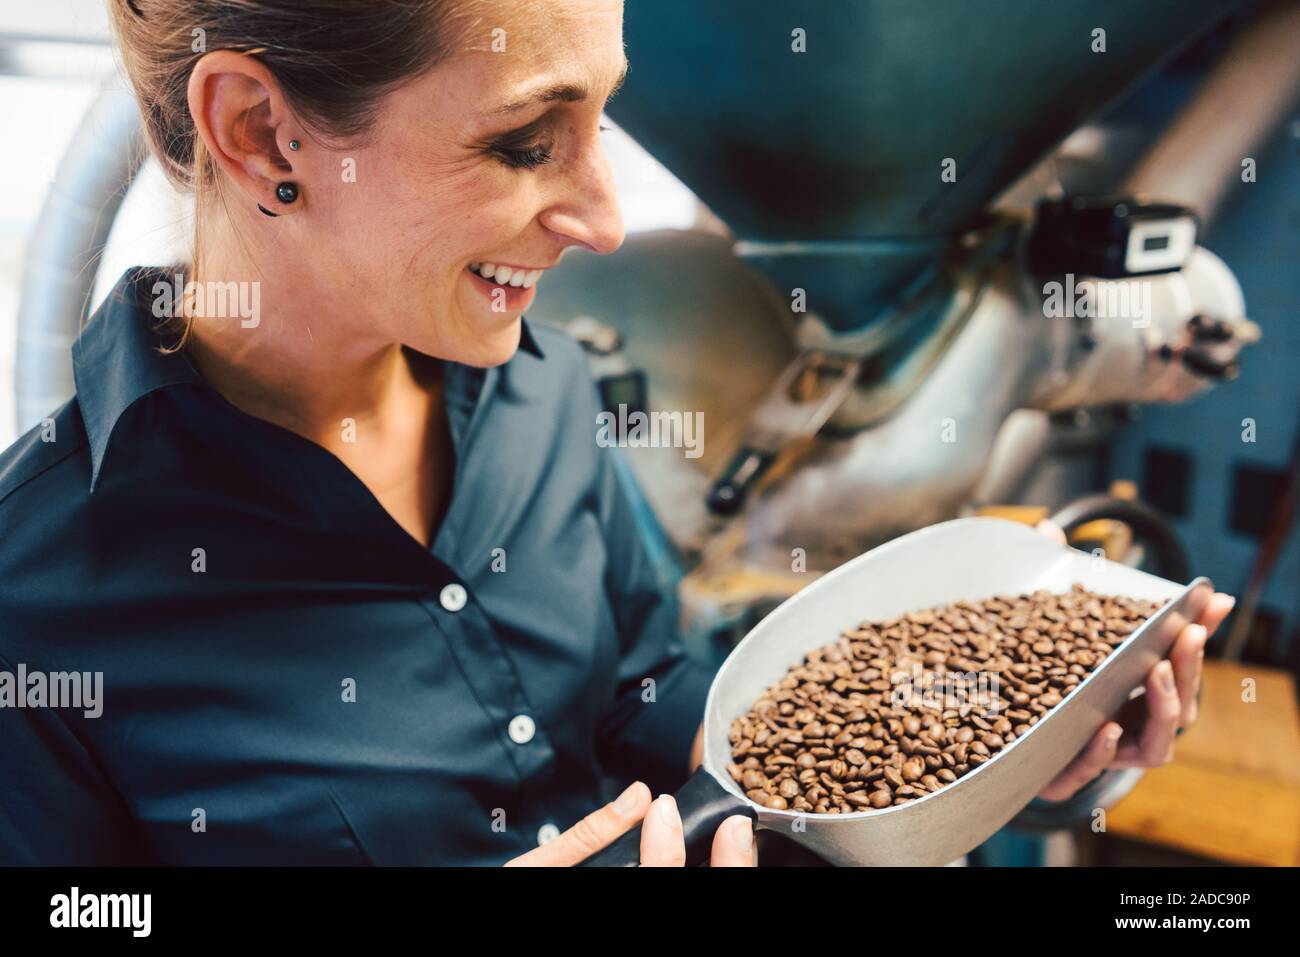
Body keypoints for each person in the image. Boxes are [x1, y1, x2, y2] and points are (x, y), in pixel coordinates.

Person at [0, 0, 1233, 867]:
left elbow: (648, 705)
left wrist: (978, 748)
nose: (600, 217)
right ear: (266, 135)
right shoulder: (36, 594)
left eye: (604, 123)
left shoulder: (538, 391)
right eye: (525, 142)